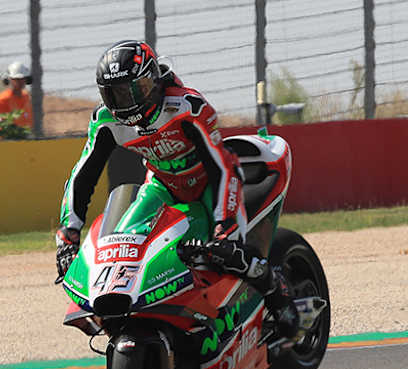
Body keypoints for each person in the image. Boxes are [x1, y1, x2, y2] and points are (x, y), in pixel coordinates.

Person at [55, 40, 299, 340]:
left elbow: (220, 166)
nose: (124, 101)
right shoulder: (105, 120)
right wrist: (69, 232)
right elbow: (83, 174)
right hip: (161, 186)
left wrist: (224, 224)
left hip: (212, 183)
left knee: (228, 252)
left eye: (132, 90)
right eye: (113, 94)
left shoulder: (187, 107)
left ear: (152, 80)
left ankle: (279, 296)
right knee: (122, 251)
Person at [0, 61, 33, 128]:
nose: (20, 82)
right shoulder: (4, 98)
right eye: (16, 79)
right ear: (9, 80)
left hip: (23, 136)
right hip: (6, 137)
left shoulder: (26, 96)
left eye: (22, 79)